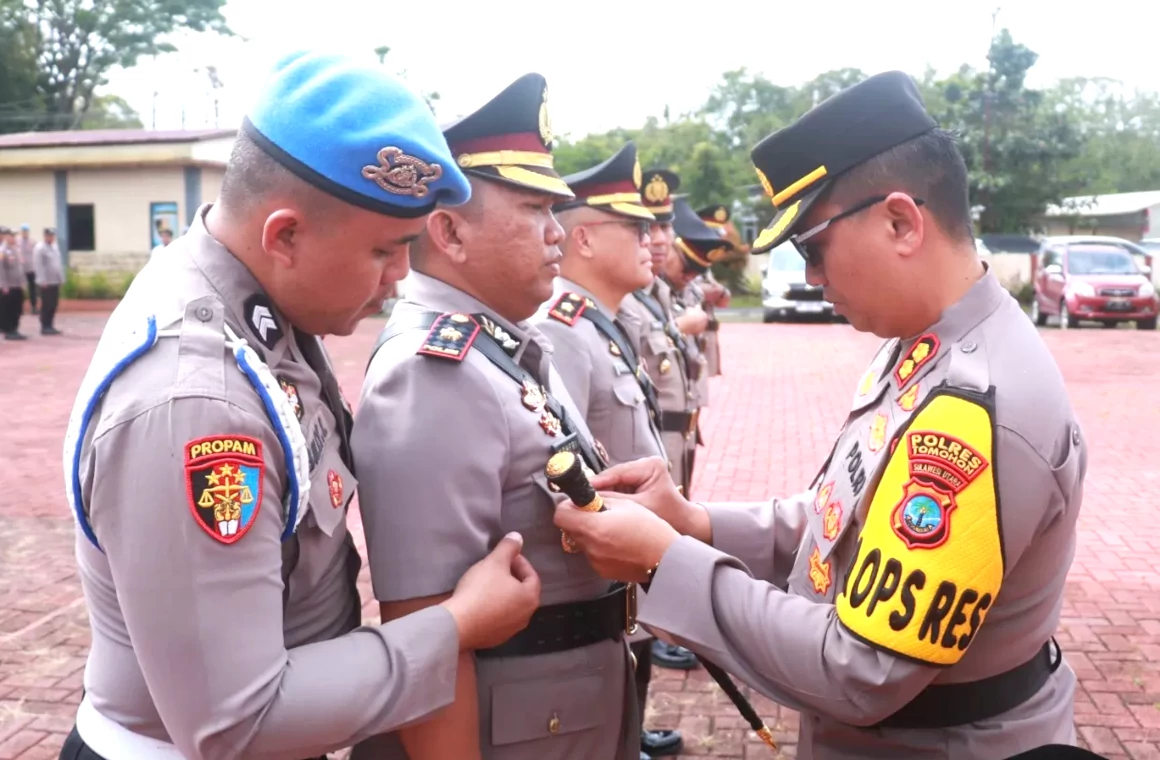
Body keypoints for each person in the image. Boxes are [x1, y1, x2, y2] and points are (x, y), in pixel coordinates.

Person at [553, 70, 1085, 758]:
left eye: (812, 246)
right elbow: (837, 524)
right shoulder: (923, 346)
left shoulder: (976, 406)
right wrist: (694, 523)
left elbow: (858, 668)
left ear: (901, 222)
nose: (809, 278)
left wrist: (666, 561)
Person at [58, 50, 541, 760]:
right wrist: (457, 627)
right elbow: (237, 720)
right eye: (385, 250)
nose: (401, 278)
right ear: (284, 235)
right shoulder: (196, 401)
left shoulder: (251, 303)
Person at [351, 73, 638, 760]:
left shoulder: (497, 343)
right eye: (536, 211)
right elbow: (427, 634)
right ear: (447, 230)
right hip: (515, 723)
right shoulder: (433, 370)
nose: (556, 237)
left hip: (563, 703)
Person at [532, 143, 682, 760]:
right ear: (585, 240)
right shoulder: (560, 327)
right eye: (635, 227)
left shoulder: (601, 321)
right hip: (601, 558)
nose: (652, 239)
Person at [620, 169, 701, 678]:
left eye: (666, 229)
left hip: (670, 436)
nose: (660, 240)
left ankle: (659, 635)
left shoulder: (651, 296)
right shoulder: (619, 305)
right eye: (647, 228)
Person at [662, 200, 733, 408]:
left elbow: (722, 299)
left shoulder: (687, 288)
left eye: (697, 271)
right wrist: (681, 327)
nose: (690, 276)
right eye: (687, 267)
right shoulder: (646, 291)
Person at [694, 205, 736, 378]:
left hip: (706, 334)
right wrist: (715, 291)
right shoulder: (689, 259)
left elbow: (723, 300)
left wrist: (720, 292)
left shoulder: (706, 265)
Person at [34, 227, 64, 335]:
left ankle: (50, 325)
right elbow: (39, 266)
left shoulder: (55, 247)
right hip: (46, 282)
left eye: (52, 236)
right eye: (49, 236)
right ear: (45, 236)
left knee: (53, 304)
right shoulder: (40, 248)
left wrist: (61, 279)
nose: (51, 238)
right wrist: (42, 281)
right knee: (46, 304)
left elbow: (58, 264)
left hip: (54, 281)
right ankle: (45, 326)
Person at [0, 226, 27, 340]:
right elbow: (1, 270)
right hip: (9, 286)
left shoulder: (15, 250)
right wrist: (3, 285)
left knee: (17, 309)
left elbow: (20, 268)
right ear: (7, 237)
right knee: (9, 309)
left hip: (17, 285)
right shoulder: (3, 251)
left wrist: (23, 283)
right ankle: (9, 331)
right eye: (12, 236)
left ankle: (15, 329)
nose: (14, 238)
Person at [18, 223, 37, 314]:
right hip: (21, 269)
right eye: (23, 231)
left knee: (32, 288)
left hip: (31, 268)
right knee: (21, 289)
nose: (25, 233)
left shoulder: (32, 242)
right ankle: (20, 308)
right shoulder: (17, 242)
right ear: (21, 232)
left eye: (26, 231)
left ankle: (33, 307)